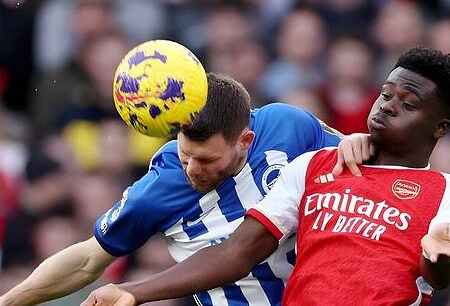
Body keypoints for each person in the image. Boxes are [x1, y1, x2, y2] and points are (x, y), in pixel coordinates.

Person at [79, 46, 450, 306]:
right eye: (386, 93)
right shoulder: (316, 165)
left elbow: (438, 278)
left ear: (440, 126)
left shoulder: (444, 193)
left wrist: (441, 256)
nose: (388, 105)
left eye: (408, 103)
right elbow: (237, 251)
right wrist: (135, 291)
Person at [0, 72, 370, 306]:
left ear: (246, 140)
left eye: (207, 160)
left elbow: (361, 161)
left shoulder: (290, 127)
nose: (192, 169)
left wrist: (363, 145)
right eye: (185, 154)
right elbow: (87, 259)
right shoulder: (161, 185)